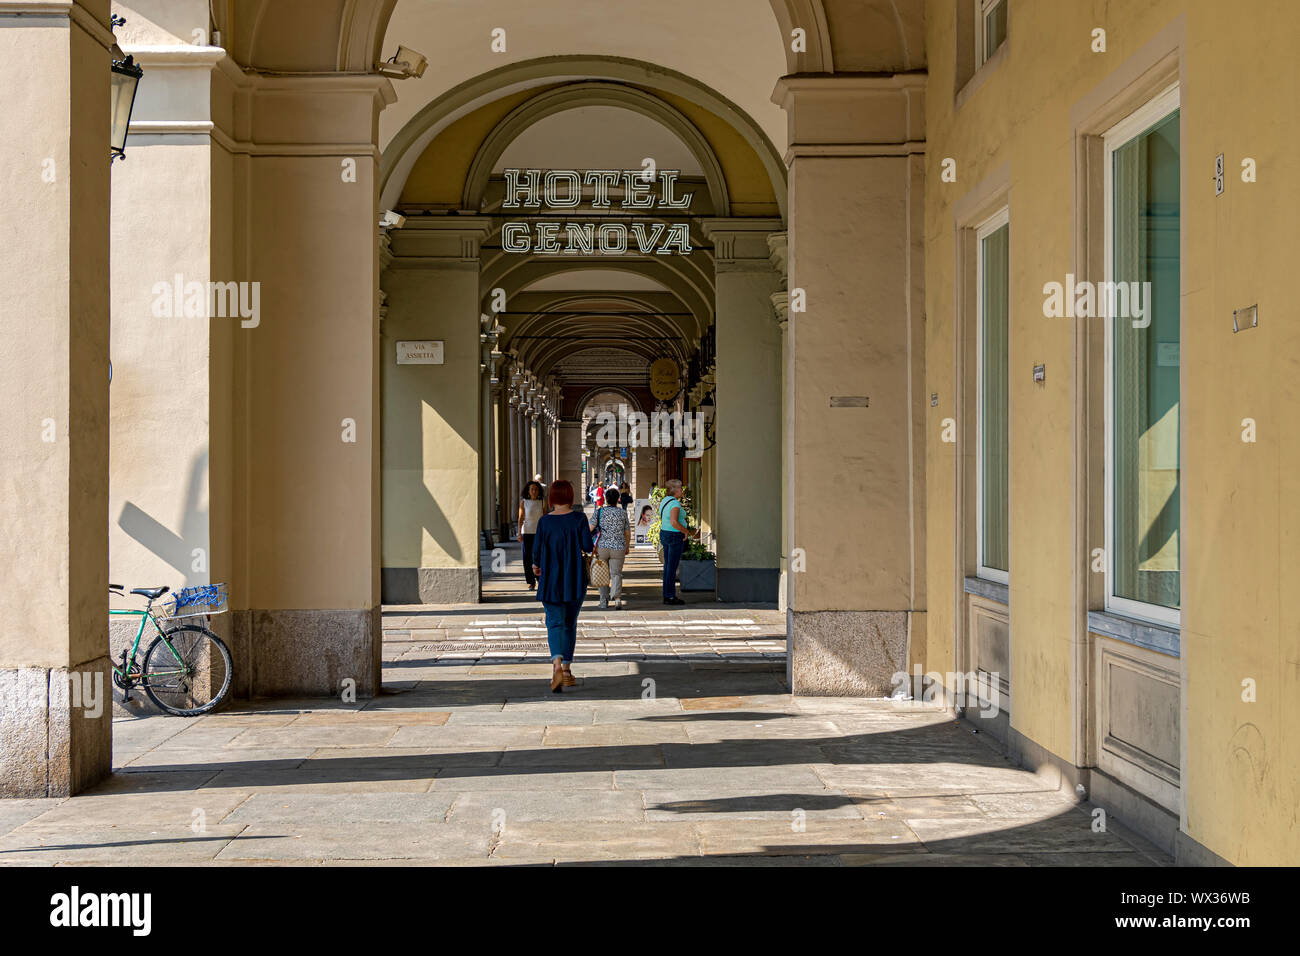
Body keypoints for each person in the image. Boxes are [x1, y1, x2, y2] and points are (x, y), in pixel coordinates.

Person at [532, 479, 594, 692]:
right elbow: (587, 545)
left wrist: (536, 566)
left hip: (550, 579)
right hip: (574, 578)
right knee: (570, 622)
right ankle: (567, 671)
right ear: (570, 496)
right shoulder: (579, 518)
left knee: (554, 622)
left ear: (552, 498)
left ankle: (556, 665)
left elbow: (537, 553)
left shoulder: (544, 522)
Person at [590, 486, 631, 609]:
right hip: (618, 547)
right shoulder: (623, 513)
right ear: (618, 499)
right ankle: (617, 599)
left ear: (606, 499)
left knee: (602, 574)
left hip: (602, 547)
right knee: (616, 574)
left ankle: (603, 601)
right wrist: (627, 546)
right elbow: (627, 532)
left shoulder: (599, 511)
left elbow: (590, 528)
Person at [658, 478, 697, 605]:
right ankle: (670, 596)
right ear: (675, 490)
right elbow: (674, 522)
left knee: (668, 566)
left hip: (665, 533)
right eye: (680, 488)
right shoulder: (675, 504)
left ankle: (666, 594)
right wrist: (685, 531)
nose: (682, 490)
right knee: (672, 567)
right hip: (674, 535)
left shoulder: (665, 501)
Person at [517, 480, 546, 589]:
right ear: (528, 491)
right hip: (527, 532)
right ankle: (531, 581)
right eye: (532, 489)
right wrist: (519, 533)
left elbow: (544, 518)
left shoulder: (542, 502)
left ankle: (539, 579)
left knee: (539, 557)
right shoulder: (524, 502)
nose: (534, 491)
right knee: (527, 558)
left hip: (539, 533)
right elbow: (520, 519)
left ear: (539, 491)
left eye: (536, 489)